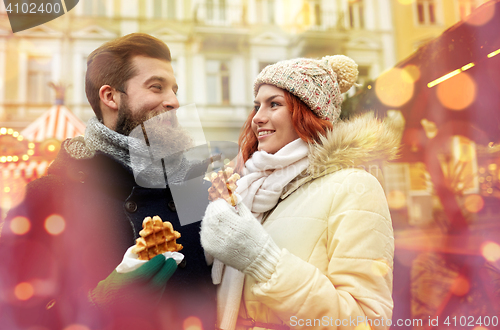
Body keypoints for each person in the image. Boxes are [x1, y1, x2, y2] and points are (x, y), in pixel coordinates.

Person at [0, 33, 215, 330]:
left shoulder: (193, 189)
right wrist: (97, 305)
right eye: (157, 87)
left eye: (175, 90)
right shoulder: (49, 197)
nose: (175, 102)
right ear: (110, 96)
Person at [200, 56, 399, 329]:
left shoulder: (355, 187)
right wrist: (223, 212)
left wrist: (264, 261)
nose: (257, 117)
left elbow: (367, 321)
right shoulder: (251, 189)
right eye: (257, 106)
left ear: (307, 113)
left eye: (274, 104)